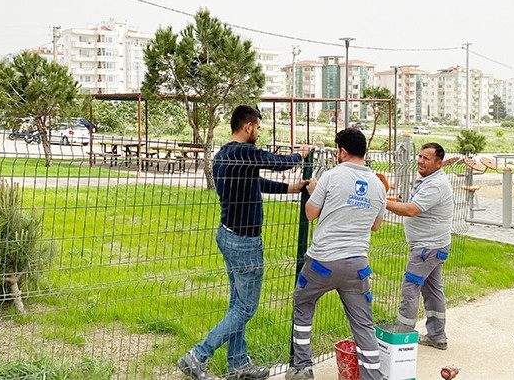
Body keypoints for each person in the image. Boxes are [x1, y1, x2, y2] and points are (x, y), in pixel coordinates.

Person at [178, 105, 312, 380]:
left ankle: (238, 364)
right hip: (245, 242)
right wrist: (301, 154)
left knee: (236, 304)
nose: (258, 133)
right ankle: (197, 356)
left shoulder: (224, 154)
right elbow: (278, 162)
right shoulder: (245, 151)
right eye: (258, 128)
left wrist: (290, 188)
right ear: (248, 126)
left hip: (227, 234)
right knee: (245, 307)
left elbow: (256, 182)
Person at [286, 128, 387, 380]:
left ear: (342, 151)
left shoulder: (331, 177)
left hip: (323, 262)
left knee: (303, 303)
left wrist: (314, 192)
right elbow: (376, 225)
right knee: (363, 322)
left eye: (336, 149)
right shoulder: (377, 184)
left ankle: (302, 367)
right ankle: (373, 375)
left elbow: (311, 213)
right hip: (357, 265)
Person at [385, 142, 454, 350]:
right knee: (433, 291)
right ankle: (437, 336)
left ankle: (402, 338)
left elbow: (411, 210)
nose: (420, 161)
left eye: (426, 158)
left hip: (427, 249)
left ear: (439, 163)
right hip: (433, 246)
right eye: (420, 156)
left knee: (410, 287)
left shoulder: (435, 185)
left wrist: (380, 200)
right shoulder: (429, 180)